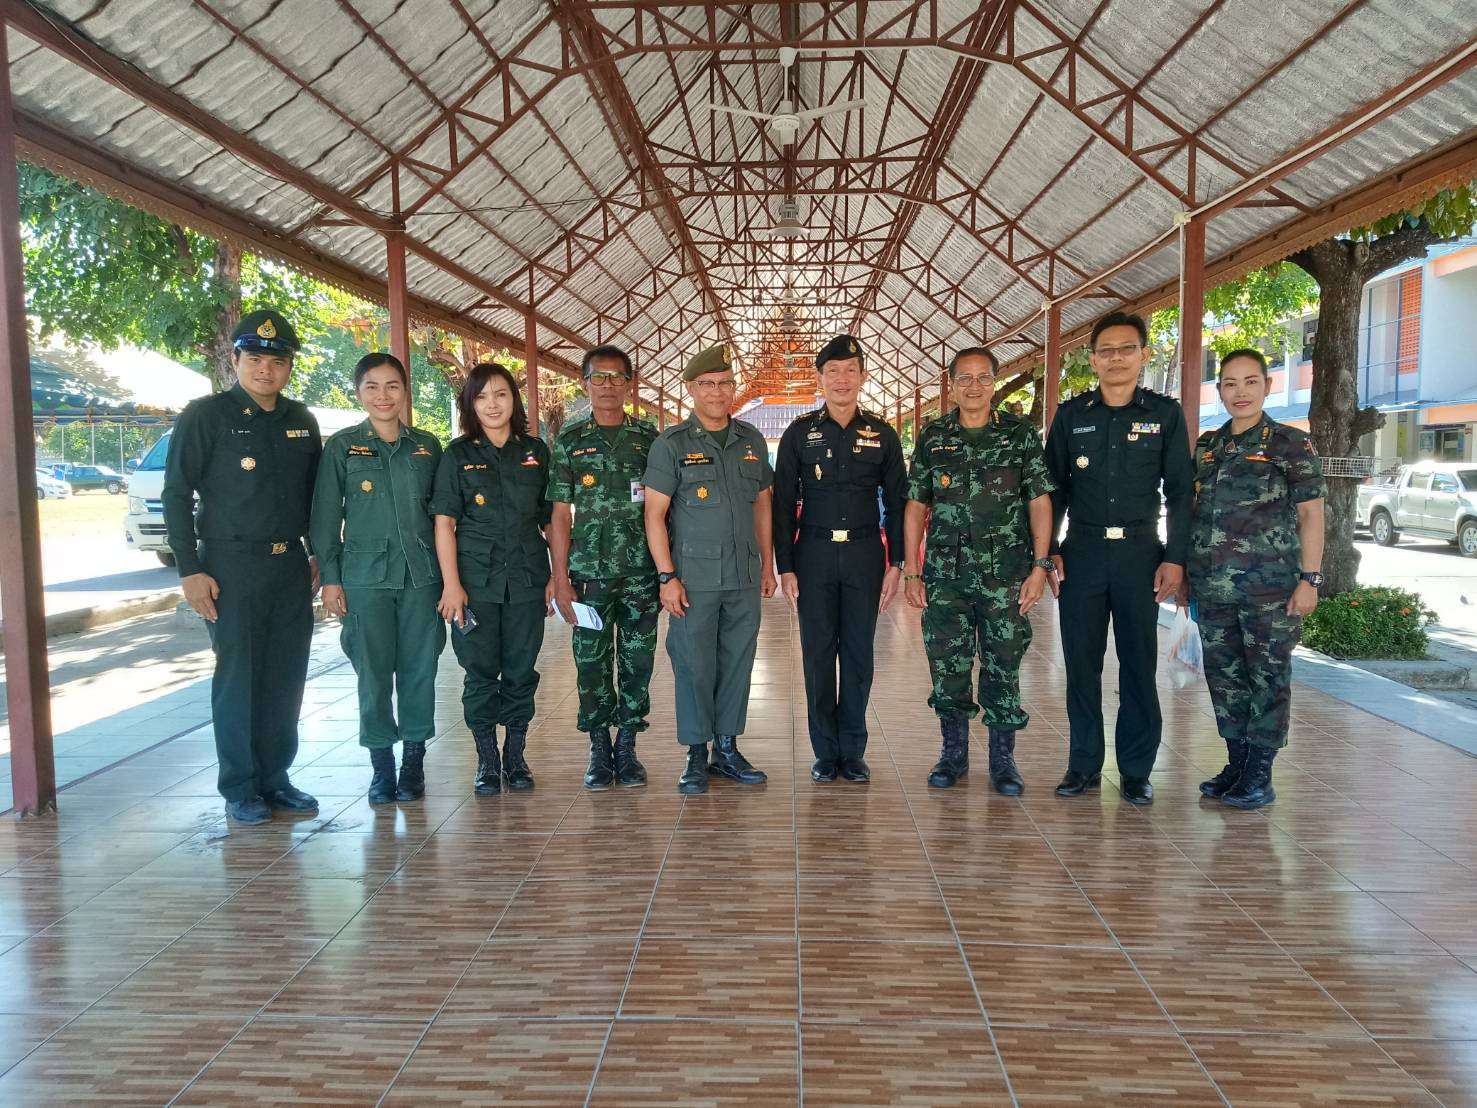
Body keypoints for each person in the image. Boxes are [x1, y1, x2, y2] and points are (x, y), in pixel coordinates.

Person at [163, 308, 322, 824]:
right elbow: (175, 493)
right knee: (238, 678)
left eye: (277, 361)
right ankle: (239, 786)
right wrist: (189, 569)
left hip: (288, 566)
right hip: (229, 566)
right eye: (254, 358)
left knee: (286, 676)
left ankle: (276, 778)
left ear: (290, 366)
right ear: (235, 360)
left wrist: (318, 553)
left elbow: (315, 498)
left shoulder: (301, 420)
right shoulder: (205, 416)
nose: (265, 369)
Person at [1045, 310, 1193, 806]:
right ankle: (1083, 764)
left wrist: (1175, 558)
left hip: (1139, 555)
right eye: (1105, 350)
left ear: (1144, 355)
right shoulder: (1072, 416)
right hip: (1082, 552)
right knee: (1081, 665)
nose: (1116, 358)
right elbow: (1052, 491)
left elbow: (1180, 492)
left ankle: (1135, 770)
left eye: (1126, 348)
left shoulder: (1164, 415)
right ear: (1092, 360)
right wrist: (1048, 552)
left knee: (1138, 665)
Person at [904, 347, 1056, 793]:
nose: (974, 386)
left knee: (1003, 662)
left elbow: (1039, 501)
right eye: (965, 378)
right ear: (951, 385)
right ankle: (952, 755)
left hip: (1005, 576)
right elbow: (915, 505)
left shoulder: (1019, 435)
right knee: (947, 664)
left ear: (994, 382)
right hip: (945, 575)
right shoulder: (934, 436)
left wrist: (1040, 566)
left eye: (983, 377)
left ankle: (1003, 761)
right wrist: (912, 570)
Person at [1186, 348, 1325, 809]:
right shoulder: (1208, 446)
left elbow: (1311, 514)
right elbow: (1193, 513)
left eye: (1250, 382)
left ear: (1267, 385)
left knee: (1268, 677)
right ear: (1220, 390)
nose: (1240, 392)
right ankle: (1237, 762)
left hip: (1270, 589)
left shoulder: (1290, 443)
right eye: (1230, 383)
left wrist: (1310, 579)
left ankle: (1260, 773)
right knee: (1225, 676)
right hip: (1213, 587)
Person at [310, 353, 445, 806]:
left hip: (423, 578)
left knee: (420, 670)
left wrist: (452, 580)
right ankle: (382, 766)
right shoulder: (343, 447)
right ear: (359, 392)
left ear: (405, 391)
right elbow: (325, 518)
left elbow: (445, 517)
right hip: (364, 580)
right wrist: (331, 579)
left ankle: (413, 762)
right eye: (372, 386)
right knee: (372, 673)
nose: (383, 395)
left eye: (392, 386)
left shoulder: (427, 446)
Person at [643, 344, 777, 794]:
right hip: (693, 580)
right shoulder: (671, 444)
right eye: (707, 384)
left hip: (743, 575)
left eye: (724, 383)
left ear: (733, 387)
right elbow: (654, 515)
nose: (717, 392)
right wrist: (666, 576)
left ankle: (727, 749)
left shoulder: (751, 440)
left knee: (738, 662)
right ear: (691, 389)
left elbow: (762, 505)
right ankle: (696, 755)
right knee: (694, 664)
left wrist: (768, 565)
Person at [773, 334, 907, 783]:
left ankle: (852, 750)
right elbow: (781, 504)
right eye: (833, 371)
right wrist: (786, 566)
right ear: (820, 379)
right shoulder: (799, 433)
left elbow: (898, 502)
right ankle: (824, 751)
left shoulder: (882, 434)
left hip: (865, 554)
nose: (842, 379)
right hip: (813, 553)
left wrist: (897, 564)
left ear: (863, 376)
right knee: (817, 654)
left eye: (851, 370)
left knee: (857, 654)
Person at [430, 363, 553, 796]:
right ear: (470, 404)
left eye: (501, 394)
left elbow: (551, 518)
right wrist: (451, 585)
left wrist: (556, 576)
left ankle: (515, 757)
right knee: (479, 672)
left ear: (514, 399)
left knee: (521, 670)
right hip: (474, 585)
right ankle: (487, 760)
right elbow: (444, 523)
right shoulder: (457, 455)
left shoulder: (535, 452)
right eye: (481, 396)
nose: (492, 404)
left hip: (527, 580)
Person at [547, 345, 659, 790]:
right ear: (585, 383)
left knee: (637, 661)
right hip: (587, 576)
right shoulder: (571, 441)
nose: (607, 385)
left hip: (641, 573)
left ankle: (627, 746)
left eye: (616, 377)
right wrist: (559, 579)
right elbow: (559, 514)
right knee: (591, 663)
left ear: (629, 384)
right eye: (599, 377)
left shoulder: (650, 439)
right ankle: (598, 747)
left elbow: (665, 509)